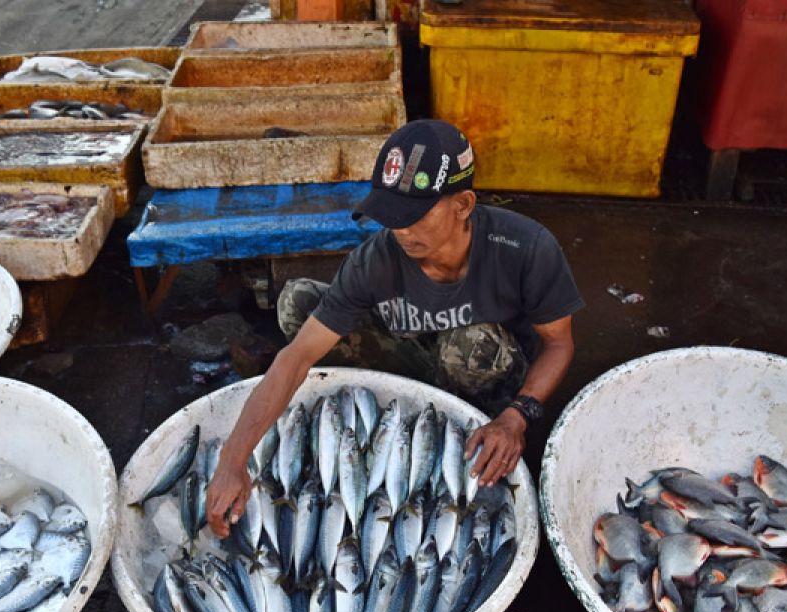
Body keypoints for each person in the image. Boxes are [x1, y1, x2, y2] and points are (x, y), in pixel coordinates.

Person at [206, 119, 584, 537]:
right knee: (298, 304)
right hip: (413, 357)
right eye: (390, 216)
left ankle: (479, 423)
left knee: (470, 346)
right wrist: (232, 460)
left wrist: (518, 416)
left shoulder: (525, 249)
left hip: (489, 375)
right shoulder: (377, 259)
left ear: (463, 205)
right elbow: (295, 358)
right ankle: (401, 424)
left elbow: (558, 344)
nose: (400, 229)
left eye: (413, 216)